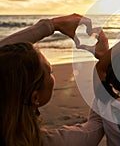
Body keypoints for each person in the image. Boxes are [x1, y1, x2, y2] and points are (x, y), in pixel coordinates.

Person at [0, 14, 105, 146]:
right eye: (50, 72)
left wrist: (53, 25)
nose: (52, 74)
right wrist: (104, 65)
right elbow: (97, 124)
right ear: (35, 98)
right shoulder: (52, 142)